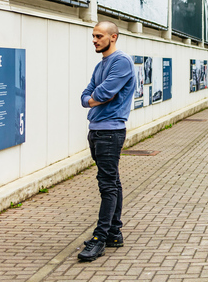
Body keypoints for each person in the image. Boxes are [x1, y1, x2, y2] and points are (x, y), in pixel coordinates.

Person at [78, 21, 136, 261]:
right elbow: (85, 96)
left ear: (113, 37)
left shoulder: (121, 61)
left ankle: (99, 238)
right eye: (93, 36)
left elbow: (104, 93)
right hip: (98, 130)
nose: (94, 40)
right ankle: (113, 232)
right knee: (113, 182)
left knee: (107, 185)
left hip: (110, 132)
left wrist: (94, 98)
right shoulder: (100, 65)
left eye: (99, 36)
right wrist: (93, 99)